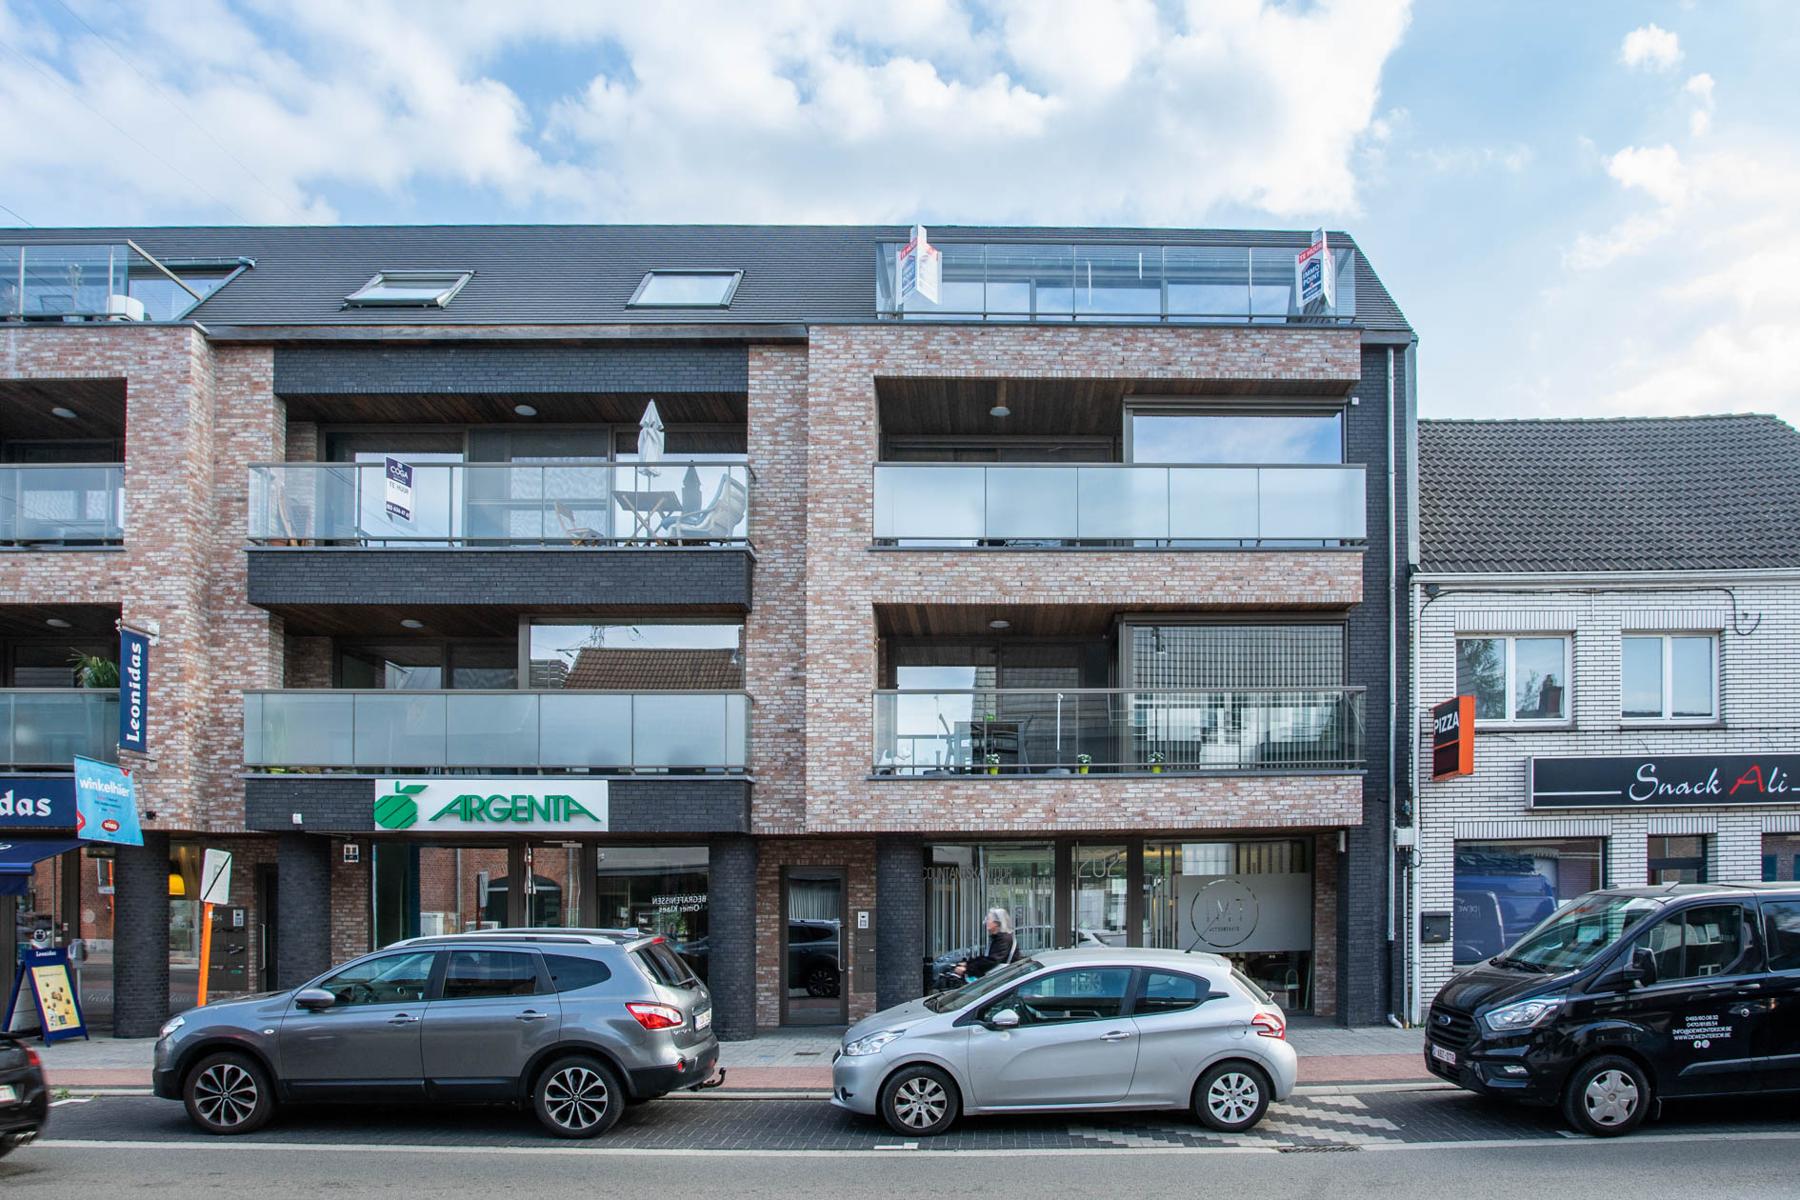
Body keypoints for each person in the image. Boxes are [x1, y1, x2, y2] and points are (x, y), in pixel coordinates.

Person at [954, 908, 1016, 981]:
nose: (985, 922)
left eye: (988, 919)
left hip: (1002, 981)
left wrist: (967, 968)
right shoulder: (998, 938)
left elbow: (992, 960)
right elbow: (987, 958)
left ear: (996, 923)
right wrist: (968, 963)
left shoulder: (1003, 939)